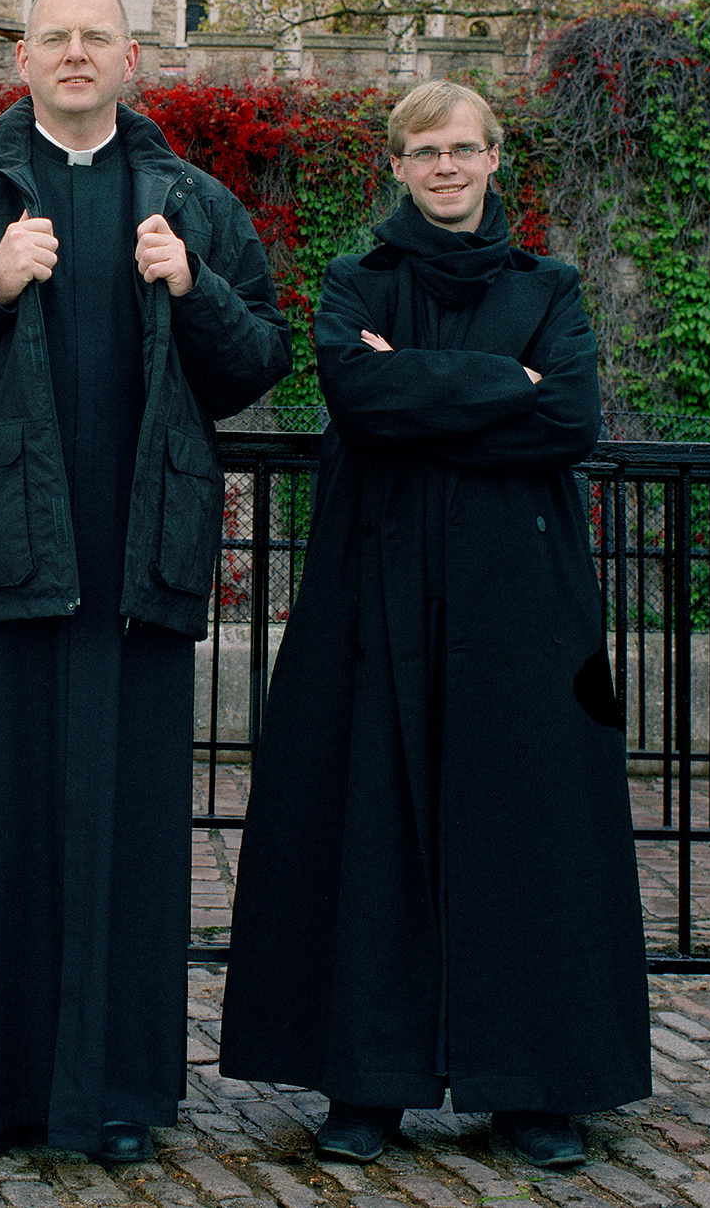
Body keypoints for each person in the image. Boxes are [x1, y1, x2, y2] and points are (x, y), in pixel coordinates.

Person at [0, 0, 291, 1163]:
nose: (77, 55)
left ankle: (113, 1099)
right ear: (24, 60)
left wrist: (192, 290)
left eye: (97, 37)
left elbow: (258, 363)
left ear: (134, 58)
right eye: (56, 38)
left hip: (135, 567)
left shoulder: (194, 204)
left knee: (125, 839)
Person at [219, 78, 649, 1171]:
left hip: (524, 598)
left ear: (495, 157)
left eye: (465, 148)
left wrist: (428, 388)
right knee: (371, 822)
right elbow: (363, 401)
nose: (447, 167)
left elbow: (568, 417)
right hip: (380, 587)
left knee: (531, 829)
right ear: (399, 166)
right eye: (426, 151)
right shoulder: (359, 278)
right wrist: (503, 380)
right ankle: (369, 1083)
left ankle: (535, 1085)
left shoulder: (550, 283)